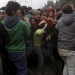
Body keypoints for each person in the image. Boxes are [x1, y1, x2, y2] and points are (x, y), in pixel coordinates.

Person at [1, 1, 30, 75]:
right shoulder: (21, 23)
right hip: (19, 51)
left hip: (8, 51)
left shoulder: (2, 23)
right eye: (18, 9)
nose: (20, 10)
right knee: (22, 71)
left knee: (11, 70)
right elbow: (27, 34)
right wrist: (27, 23)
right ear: (13, 11)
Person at [55, 4, 75, 75]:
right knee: (71, 68)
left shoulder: (60, 21)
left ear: (63, 11)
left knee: (67, 65)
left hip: (61, 48)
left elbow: (56, 27)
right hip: (71, 49)